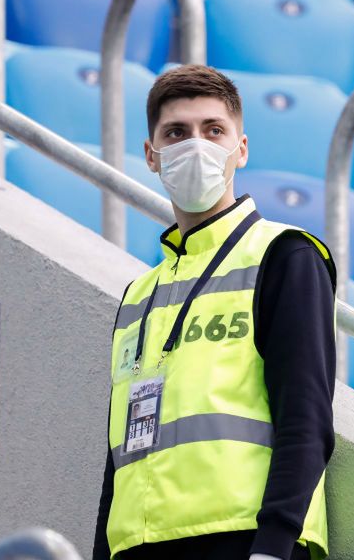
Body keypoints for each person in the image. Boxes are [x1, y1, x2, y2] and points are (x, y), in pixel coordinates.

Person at [92, 65, 336, 560]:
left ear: (240, 149)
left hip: (245, 541)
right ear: (151, 156)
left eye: (213, 130)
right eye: (176, 133)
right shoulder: (139, 294)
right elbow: (118, 455)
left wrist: (274, 545)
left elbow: (306, 418)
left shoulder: (284, 255)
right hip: (141, 546)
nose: (195, 145)